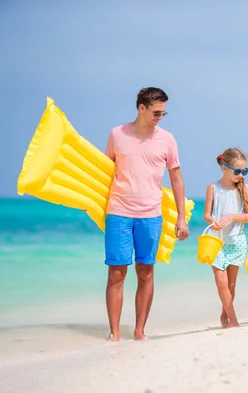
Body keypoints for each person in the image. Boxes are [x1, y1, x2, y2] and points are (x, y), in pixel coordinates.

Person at [104, 87, 190, 341]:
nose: (160, 117)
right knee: (117, 273)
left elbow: (176, 176)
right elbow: (106, 171)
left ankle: (140, 331)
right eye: (156, 112)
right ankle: (115, 333)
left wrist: (181, 216)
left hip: (151, 214)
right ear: (141, 108)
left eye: (163, 113)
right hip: (119, 212)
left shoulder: (167, 139)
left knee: (146, 272)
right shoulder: (117, 134)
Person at [203, 148, 248, 329]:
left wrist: (232, 216)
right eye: (237, 171)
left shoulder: (244, 189)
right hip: (215, 241)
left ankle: (224, 317)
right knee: (221, 283)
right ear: (224, 168)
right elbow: (207, 215)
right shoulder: (213, 188)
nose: (241, 175)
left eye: (244, 171)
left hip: (236, 241)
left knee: (231, 284)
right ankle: (234, 320)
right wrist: (213, 222)